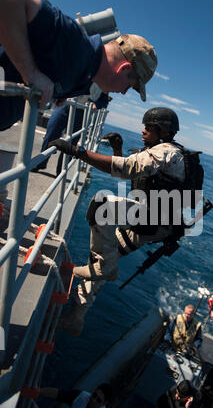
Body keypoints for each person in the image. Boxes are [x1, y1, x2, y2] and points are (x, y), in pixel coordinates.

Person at [54, 107, 194, 337]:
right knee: (99, 264)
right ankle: (76, 317)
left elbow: (126, 169)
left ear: (162, 131)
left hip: (154, 220)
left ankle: (104, 268)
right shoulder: (164, 152)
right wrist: (117, 149)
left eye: (148, 127)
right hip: (155, 220)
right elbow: (136, 178)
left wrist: (76, 151)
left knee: (102, 207)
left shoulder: (167, 152)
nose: (143, 130)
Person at [0, 0, 157, 131]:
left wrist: (58, 92)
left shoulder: (86, 72)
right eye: (129, 86)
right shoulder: (74, 42)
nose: (123, 93)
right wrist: (31, 73)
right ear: (124, 68)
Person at [31, 91, 111, 175]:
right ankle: (40, 163)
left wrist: (96, 105)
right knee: (51, 133)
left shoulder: (103, 82)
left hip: (82, 112)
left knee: (71, 143)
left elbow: (103, 100)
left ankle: (61, 171)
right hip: (65, 105)